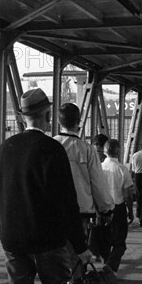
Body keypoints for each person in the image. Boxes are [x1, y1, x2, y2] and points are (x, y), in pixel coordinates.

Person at [0, 89, 91, 284]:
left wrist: (0, 227)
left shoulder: (4, 149)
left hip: (13, 242)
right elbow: (67, 204)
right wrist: (81, 247)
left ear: (22, 117)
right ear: (47, 115)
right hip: (47, 242)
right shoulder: (52, 149)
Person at [53, 103, 115, 264]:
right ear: (79, 121)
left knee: (56, 256)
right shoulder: (86, 149)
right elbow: (97, 183)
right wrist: (106, 209)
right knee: (77, 256)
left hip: (53, 213)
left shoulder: (50, 145)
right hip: (80, 212)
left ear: (59, 122)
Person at [101, 139, 134, 271]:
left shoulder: (99, 167)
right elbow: (127, 194)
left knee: (105, 239)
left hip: (102, 207)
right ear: (118, 151)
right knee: (120, 242)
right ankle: (110, 265)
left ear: (104, 151)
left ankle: (106, 262)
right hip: (118, 208)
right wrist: (130, 210)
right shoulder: (122, 169)